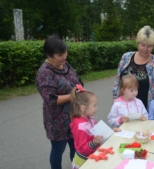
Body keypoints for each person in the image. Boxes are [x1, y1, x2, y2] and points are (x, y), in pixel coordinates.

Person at [36, 34, 82, 169]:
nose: (64, 56)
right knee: (58, 151)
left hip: (74, 115)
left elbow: (77, 81)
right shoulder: (44, 73)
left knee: (76, 147)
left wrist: (80, 88)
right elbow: (50, 99)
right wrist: (72, 95)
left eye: (65, 52)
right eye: (59, 55)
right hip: (57, 120)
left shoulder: (65, 64)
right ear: (49, 55)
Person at [112, 25, 154, 110]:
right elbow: (118, 81)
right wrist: (115, 101)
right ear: (138, 43)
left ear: (153, 46)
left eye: (149, 46)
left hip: (145, 110)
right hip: (123, 108)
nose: (145, 49)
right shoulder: (126, 57)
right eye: (143, 45)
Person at [70, 84, 103, 169]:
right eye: (94, 105)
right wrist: (94, 143)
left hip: (92, 157)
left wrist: (110, 132)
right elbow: (82, 149)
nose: (96, 108)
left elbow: (98, 129)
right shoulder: (80, 126)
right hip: (84, 162)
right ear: (83, 108)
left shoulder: (89, 118)